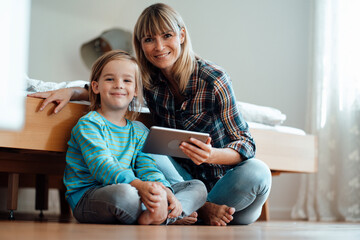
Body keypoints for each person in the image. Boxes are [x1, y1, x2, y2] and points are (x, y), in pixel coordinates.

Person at [29, 3, 271, 226]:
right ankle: (193, 210)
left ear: (182, 36)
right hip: (180, 184)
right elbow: (113, 85)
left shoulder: (214, 79)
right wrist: (71, 91)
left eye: (167, 35)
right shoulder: (146, 79)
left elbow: (246, 144)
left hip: (223, 185)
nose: (159, 47)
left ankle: (195, 210)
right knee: (151, 142)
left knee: (258, 172)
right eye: (149, 39)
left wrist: (211, 155)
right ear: (140, 45)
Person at [63, 49, 207, 225]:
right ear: (95, 86)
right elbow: (102, 167)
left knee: (197, 187)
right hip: (90, 197)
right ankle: (166, 216)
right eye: (110, 79)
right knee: (125, 194)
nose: (119, 85)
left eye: (127, 80)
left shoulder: (138, 131)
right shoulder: (89, 124)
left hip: (134, 190)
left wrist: (163, 190)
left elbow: (147, 166)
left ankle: (161, 213)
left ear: (136, 90)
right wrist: (140, 186)